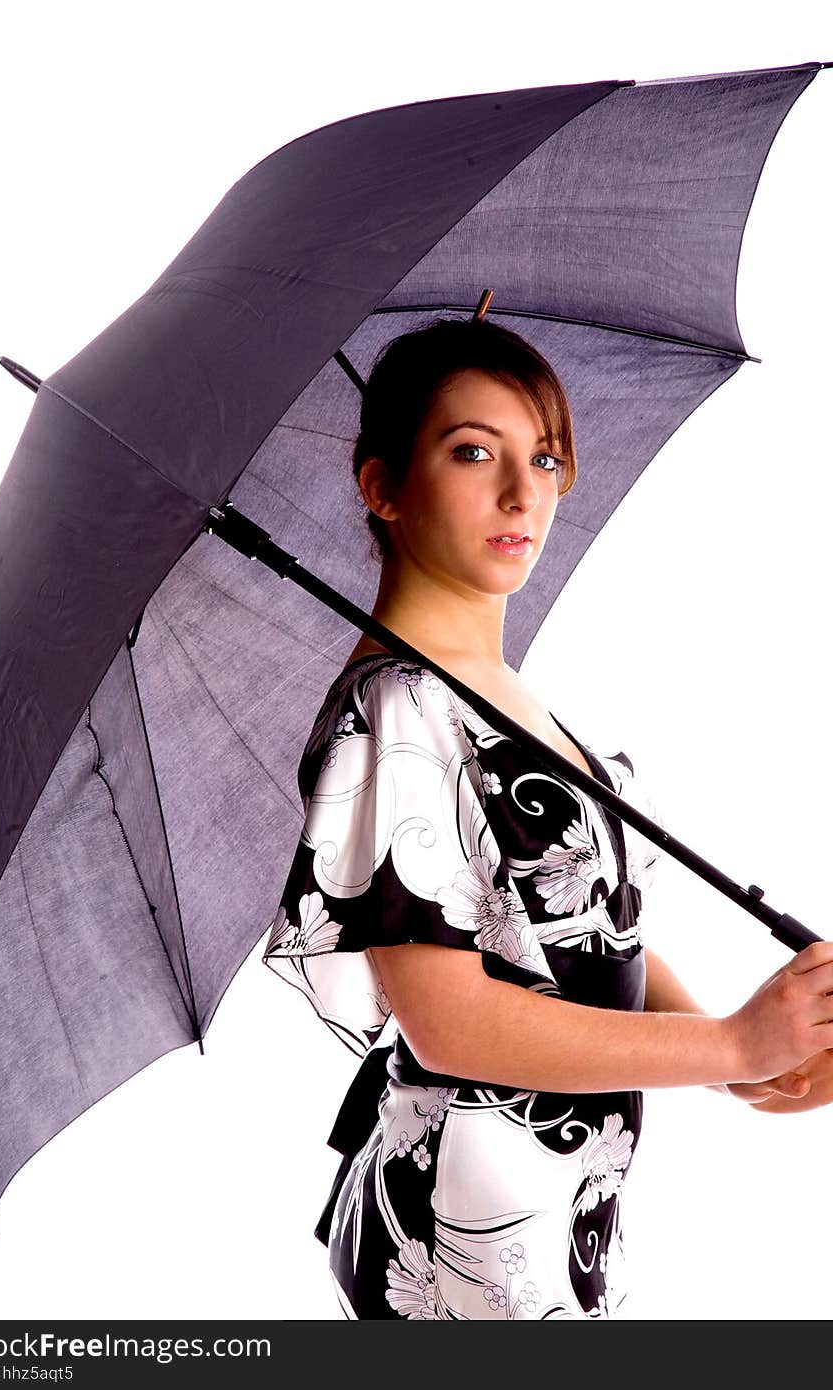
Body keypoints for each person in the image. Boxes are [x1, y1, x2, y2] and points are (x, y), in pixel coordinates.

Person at [261, 316, 833, 1321]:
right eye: (473, 451)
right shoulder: (397, 709)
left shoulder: (499, 695)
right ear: (381, 486)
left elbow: (582, 936)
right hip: (471, 1219)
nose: (524, 493)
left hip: (560, 1203)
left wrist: (743, 1061)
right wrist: (734, 1046)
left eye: (545, 455)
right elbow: (449, 1023)